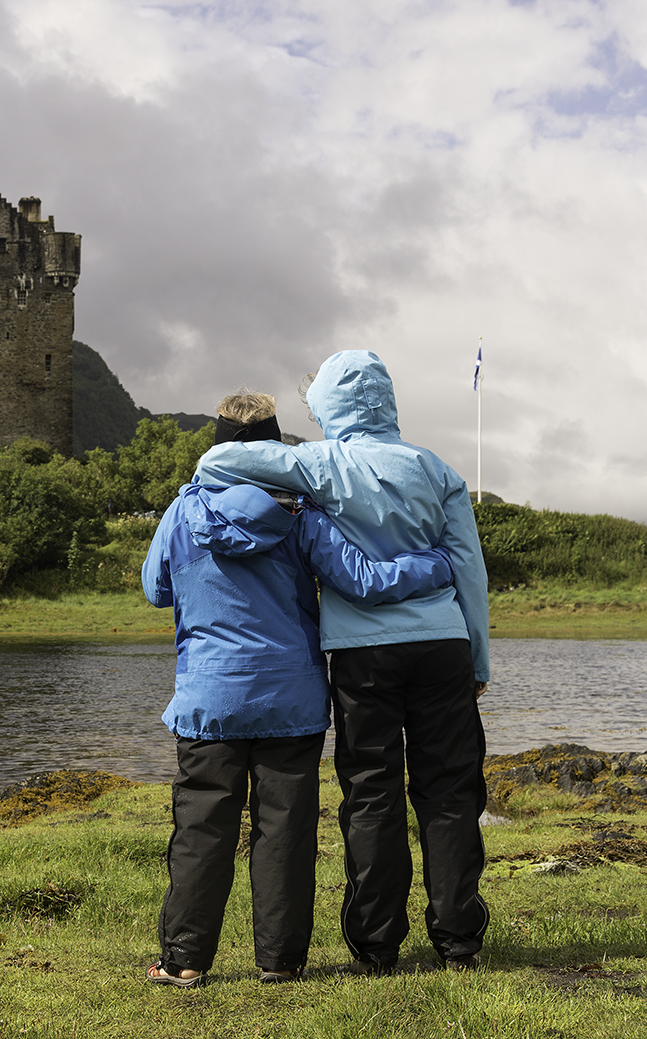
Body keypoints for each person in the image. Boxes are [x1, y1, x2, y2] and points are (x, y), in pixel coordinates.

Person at [143, 389, 456, 988]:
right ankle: (281, 963)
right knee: (284, 833)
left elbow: (156, 587)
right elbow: (362, 581)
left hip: (210, 701)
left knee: (201, 829)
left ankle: (183, 961)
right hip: (293, 701)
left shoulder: (183, 511)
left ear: (216, 446)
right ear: (271, 447)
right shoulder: (299, 513)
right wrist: (439, 565)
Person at [194, 351, 492, 975]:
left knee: (371, 793)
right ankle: (459, 942)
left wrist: (290, 472)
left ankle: (377, 946)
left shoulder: (320, 464)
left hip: (362, 658)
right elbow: (468, 568)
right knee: (450, 793)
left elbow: (216, 460)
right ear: (387, 400)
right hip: (442, 645)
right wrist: (478, 660)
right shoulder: (437, 470)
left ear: (328, 407)